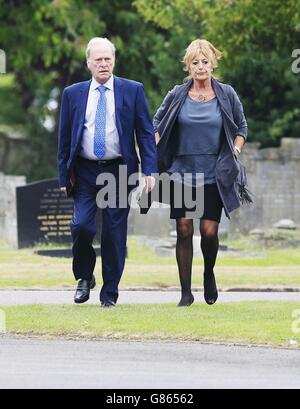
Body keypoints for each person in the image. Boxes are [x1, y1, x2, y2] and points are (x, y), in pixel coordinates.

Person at [58, 37, 157, 308]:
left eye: (108, 59)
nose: (103, 64)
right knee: (81, 226)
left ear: (114, 61)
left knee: (114, 235)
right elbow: (64, 139)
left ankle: (109, 294)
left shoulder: (132, 90)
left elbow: (146, 133)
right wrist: (62, 176)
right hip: (85, 170)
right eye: (98, 60)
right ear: (88, 63)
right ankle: (84, 276)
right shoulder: (73, 94)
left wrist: (150, 170)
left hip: (118, 170)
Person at [153, 39, 248, 307]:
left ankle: (208, 273)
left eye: (205, 61)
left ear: (213, 64)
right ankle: (185, 292)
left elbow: (242, 127)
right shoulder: (177, 94)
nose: (200, 67)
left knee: (208, 231)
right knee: (183, 229)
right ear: (188, 66)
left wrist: (235, 152)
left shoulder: (226, 94)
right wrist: (159, 147)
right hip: (180, 172)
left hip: (213, 173)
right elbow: (156, 123)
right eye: (195, 62)